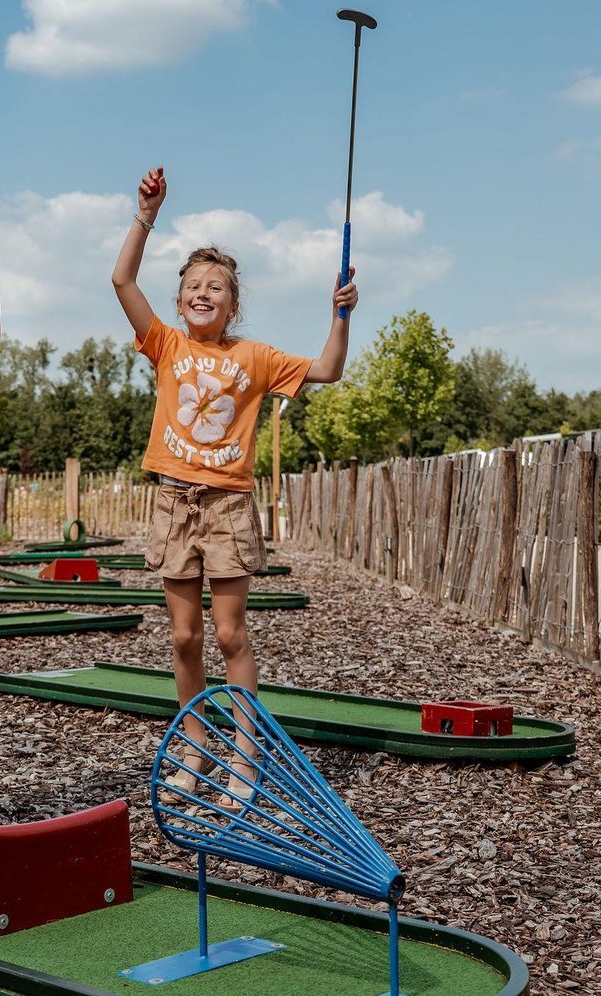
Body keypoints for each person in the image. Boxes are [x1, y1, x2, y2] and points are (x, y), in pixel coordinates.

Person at [110, 166, 357, 804]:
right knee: (185, 637)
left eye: (215, 285)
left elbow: (328, 368)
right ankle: (193, 746)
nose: (203, 292)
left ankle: (245, 757)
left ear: (232, 303)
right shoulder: (163, 344)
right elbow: (121, 280)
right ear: (180, 298)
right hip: (173, 502)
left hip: (227, 505)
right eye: (193, 284)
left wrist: (340, 314)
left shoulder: (254, 357)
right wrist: (146, 214)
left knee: (230, 634)